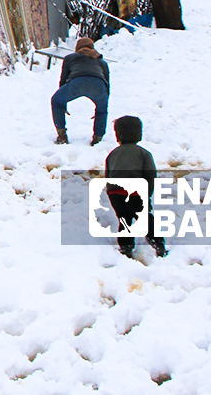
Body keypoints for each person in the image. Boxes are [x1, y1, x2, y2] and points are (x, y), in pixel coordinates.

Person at [104, 116, 166, 259]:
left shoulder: (112, 154)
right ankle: (158, 244)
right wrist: (147, 196)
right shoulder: (143, 153)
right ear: (139, 134)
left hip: (116, 194)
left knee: (124, 220)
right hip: (136, 193)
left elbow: (108, 175)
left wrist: (111, 193)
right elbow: (150, 175)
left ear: (117, 135)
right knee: (145, 219)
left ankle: (126, 247)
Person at [52, 36, 110, 146]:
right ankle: (97, 139)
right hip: (98, 85)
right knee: (102, 111)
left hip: (77, 83)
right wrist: (102, 105)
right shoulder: (102, 62)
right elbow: (107, 84)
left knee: (56, 101)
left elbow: (63, 79)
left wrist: (62, 102)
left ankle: (62, 136)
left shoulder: (70, 58)